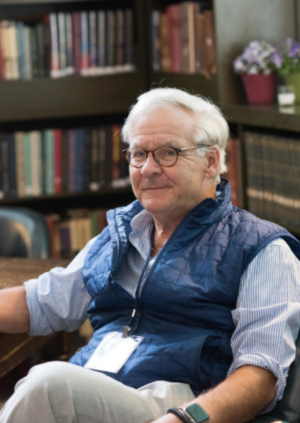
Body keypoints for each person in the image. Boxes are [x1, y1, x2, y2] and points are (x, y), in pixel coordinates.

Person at [1, 87, 300, 423]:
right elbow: (44, 303)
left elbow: (260, 376)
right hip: (95, 381)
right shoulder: (123, 232)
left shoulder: (262, 248)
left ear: (211, 160)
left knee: (48, 385)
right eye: (139, 153)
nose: (148, 168)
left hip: (181, 402)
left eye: (168, 153)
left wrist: (186, 419)